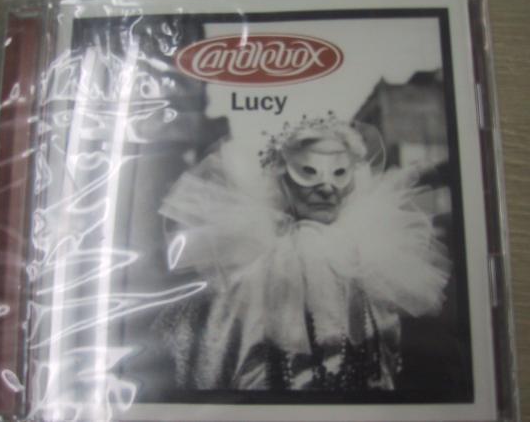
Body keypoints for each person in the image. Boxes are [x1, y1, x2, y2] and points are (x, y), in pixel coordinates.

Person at [153, 112, 449, 391]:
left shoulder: (371, 259)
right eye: (308, 172)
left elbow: (385, 359)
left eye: (339, 173)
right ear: (281, 178)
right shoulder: (250, 265)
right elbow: (219, 361)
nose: (327, 188)